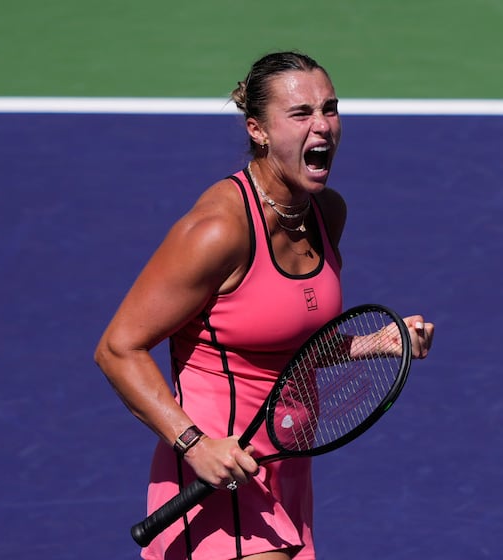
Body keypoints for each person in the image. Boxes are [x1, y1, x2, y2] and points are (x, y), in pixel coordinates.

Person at [94, 51, 435, 560]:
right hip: (220, 472)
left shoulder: (325, 213)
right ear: (257, 129)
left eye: (330, 109)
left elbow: (286, 344)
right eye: (301, 114)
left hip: (286, 467)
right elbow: (118, 348)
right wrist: (194, 444)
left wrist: (375, 343)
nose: (322, 126)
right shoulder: (217, 231)